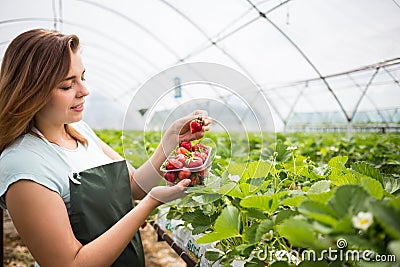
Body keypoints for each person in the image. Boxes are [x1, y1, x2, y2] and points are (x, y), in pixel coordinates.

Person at [0, 28, 210, 267]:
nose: (84, 91)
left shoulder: (80, 132)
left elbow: (132, 186)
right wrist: (150, 204)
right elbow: (71, 264)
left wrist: (169, 142)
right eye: (67, 86)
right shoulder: (23, 166)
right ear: (31, 91)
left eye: (83, 78)